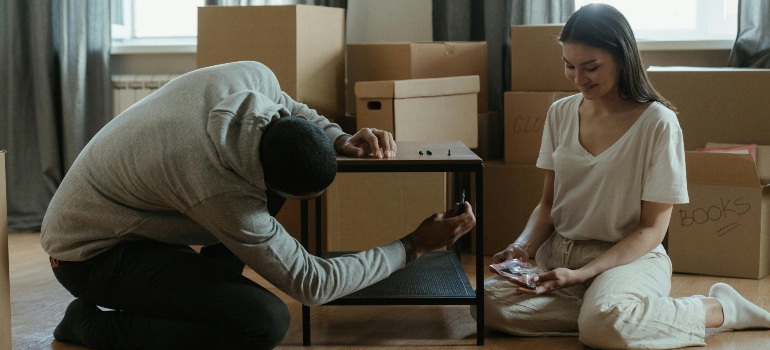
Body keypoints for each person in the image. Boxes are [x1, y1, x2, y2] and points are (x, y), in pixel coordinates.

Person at [41, 61, 476, 350]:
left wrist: (340, 137)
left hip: (134, 216)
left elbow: (295, 109)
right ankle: (93, 327)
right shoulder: (218, 189)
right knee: (262, 322)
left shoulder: (254, 79)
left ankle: (193, 295)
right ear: (260, 182)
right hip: (88, 254)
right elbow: (313, 284)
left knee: (230, 290)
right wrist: (414, 245)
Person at [477, 4, 770, 349]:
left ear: (622, 57)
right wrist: (521, 247)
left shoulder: (658, 123)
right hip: (561, 257)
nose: (578, 78)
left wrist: (583, 274)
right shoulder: (559, 113)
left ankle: (718, 308)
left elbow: (652, 229)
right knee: (484, 303)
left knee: (606, 324)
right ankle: (605, 313)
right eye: (569, 65)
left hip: (631, 259)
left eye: (591, 67)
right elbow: (547, 205)